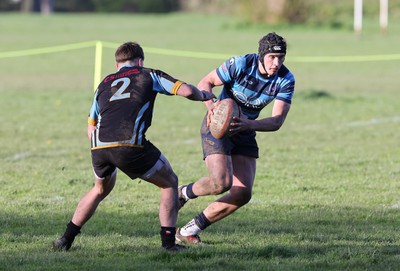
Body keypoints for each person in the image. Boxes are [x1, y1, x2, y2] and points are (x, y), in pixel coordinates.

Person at [52, 41, 215, 252]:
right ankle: (168, 244)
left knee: (99, 189)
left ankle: (65, 240)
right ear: (139, 60)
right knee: (169, 183)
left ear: (117, 63)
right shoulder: (148, 74)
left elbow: (91, 124)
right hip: (129, 145)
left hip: (99, 146)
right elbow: (184, 91)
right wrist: (204, 95)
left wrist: (102, 149)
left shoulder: (104, 83)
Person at [176, 32, 295, 244]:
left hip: (245, 129)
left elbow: (277, 121)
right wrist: (213, 107)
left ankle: (187, 231)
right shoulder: (240, 64)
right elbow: (206, 82)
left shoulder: (286, 79)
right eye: (271, 57)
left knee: (242, 193)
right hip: (218, 125)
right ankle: (183, 193)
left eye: (281, 58)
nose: (276, 63)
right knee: (220, 182)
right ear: (261, 55)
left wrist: (248, 125)